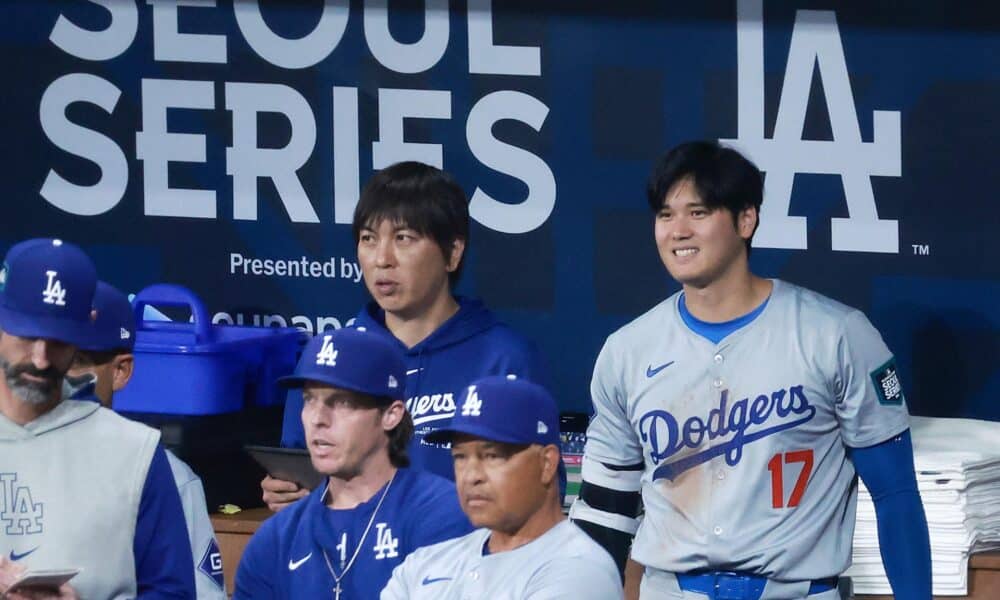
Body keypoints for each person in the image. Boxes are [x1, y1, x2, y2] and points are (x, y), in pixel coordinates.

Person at [570, 141, 932, 600]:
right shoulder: (627, 352)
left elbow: (895, 493)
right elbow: (605, 511)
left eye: (698, 213)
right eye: (665, 215)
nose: (677, 230)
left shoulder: (835, 335)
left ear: (746, 219)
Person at [264, 161, 548, 510]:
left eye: (404, 239)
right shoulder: (327, 357)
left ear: (453, 252)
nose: (382, 259)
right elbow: (300, 475)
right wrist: (288, 495)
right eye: (368, 239)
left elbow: (540, 496)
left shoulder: (505, 358)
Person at [0, 238, 194, 599]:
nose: (41, 359)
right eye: (27, 335)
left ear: (85, 327)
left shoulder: (133, 451)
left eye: (58, 340)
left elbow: (172, 593)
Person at [234, 328, 473, 599]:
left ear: (391, 415)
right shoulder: (276, 538)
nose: (318, 419)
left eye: (342, 402)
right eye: (309, 400)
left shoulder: (442, 515)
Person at [381, 375, 621, 599]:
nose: (471, 476)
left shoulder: (580, 571)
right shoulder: (425, 563)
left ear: (546, 463)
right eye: (460, 457)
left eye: (492, 456)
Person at [64, 281, 226, 598]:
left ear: (121, 370)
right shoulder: (12, 454)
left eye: (78, 361)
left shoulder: (167, 476)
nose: (59, 374)